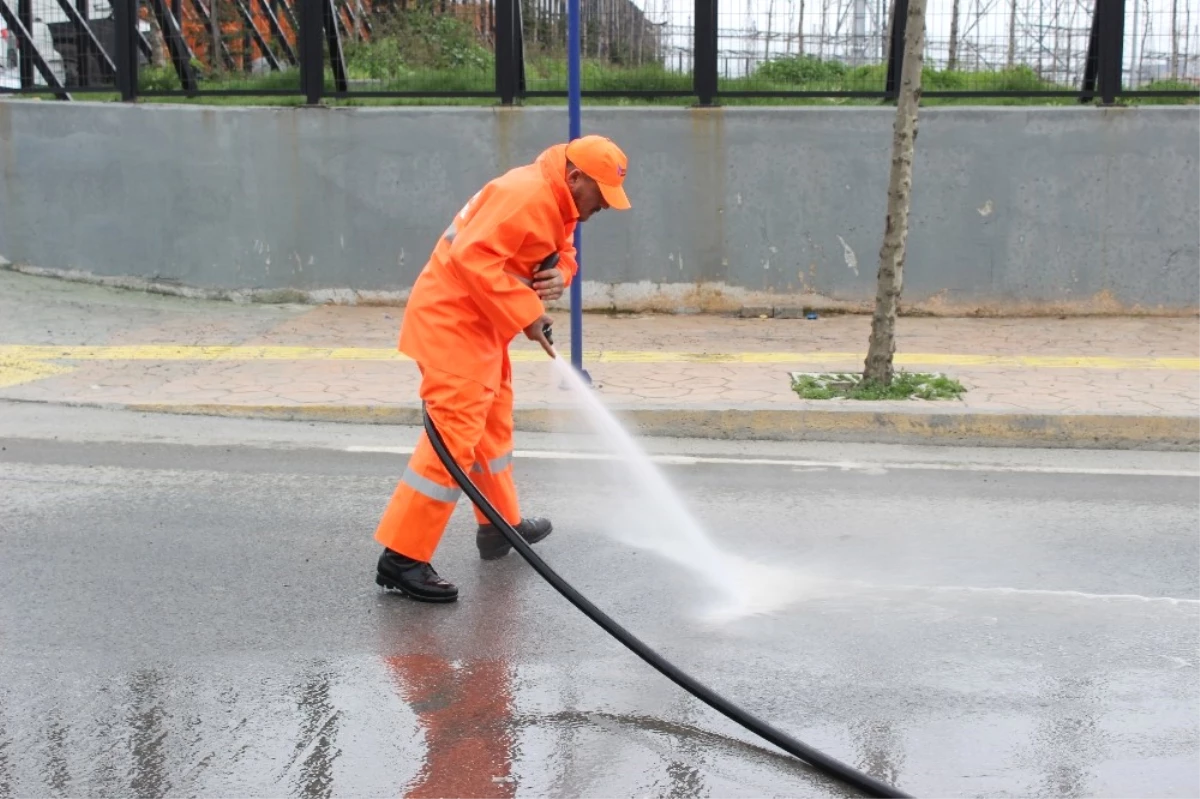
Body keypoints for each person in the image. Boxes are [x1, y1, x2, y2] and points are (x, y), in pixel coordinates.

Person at [373, 135, 632, 603]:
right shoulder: (525, 195)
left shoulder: (561, 200)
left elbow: (560, 253)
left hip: (483, 327)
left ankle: (498, 526)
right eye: (602, 197)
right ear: (576, 178)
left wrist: (562, 275)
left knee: (492, 429)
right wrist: (527, 312)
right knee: (452, 440)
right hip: (452, 325)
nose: (605, 208)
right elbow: (470, 256)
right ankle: (402, 557)